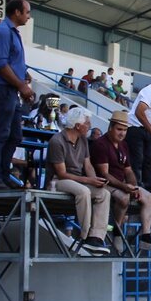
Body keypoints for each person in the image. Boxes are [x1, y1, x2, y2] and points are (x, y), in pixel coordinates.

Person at [90, 110, 151, 253]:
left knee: (149, 197)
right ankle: (117, 232)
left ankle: (146, 237)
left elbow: (129, 171)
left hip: (120, 183)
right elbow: (104, 174)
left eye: (125, 130)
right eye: (119, 129)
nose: (122, 133)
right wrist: (125, 187)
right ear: (110, 127)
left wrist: (134, 186)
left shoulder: (124, 145)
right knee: (124, 198)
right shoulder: (101, 144)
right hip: (104, 184)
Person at [0, 0, 36, 190]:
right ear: (17, 12)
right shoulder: (3, 32)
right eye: (27, 12)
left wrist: (21, 86)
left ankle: (4, 174)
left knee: (15, 135)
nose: (29, 17)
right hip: (2, 89)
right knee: (1, 133)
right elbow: (1, 64)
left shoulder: (12, 33)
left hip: (11, 91)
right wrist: (21, 86)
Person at [46, 107, 112, 255]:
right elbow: (61, 173)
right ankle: (85, 234)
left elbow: (87, 165)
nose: (89, 126)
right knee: (84, 191)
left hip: (77, 179)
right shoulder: (57, 141)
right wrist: (88, 180)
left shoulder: (83, 140)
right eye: (87, 123)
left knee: (104, 193)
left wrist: (95, 180)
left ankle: (96, 236)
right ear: (77, 125)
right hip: (57, 181)